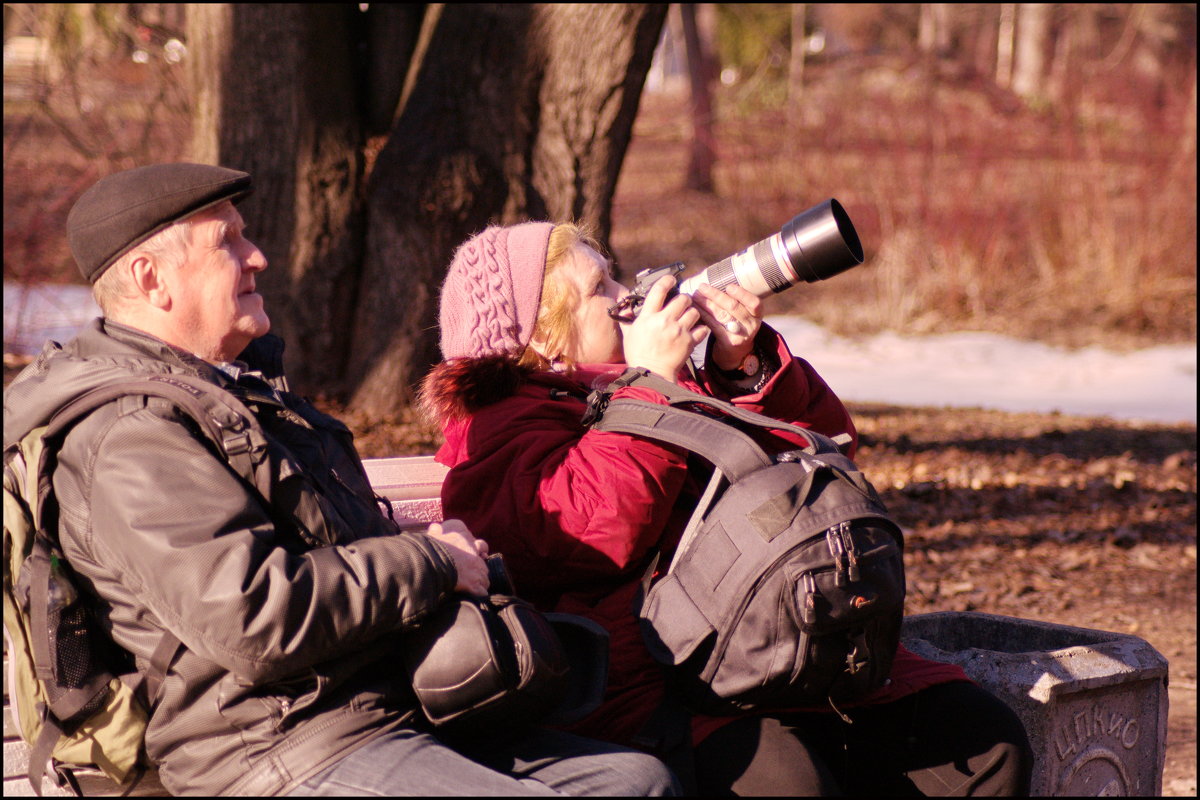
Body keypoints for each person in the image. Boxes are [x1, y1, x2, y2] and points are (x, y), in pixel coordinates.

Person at [2, 164, 682, 798]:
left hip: (374, 714)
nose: (258, 256)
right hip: (272, 752)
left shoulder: (235, 399)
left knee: (636, 779)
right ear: (152, 280)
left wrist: (427, 547)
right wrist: (428, 561)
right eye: (228, 242)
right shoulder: (131, 436)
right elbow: (254, 617)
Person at [420, 220, 1034, 795]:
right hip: (658, 681)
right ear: (543, 334)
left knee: (984, 743)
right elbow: (595, 532)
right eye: (597, 287)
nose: (625, 294)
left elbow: (827, 460)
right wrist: (649, 387)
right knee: (785, 782)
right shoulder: (500, 430)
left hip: (790, 641)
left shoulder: (662, 385)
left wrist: (741, 368)